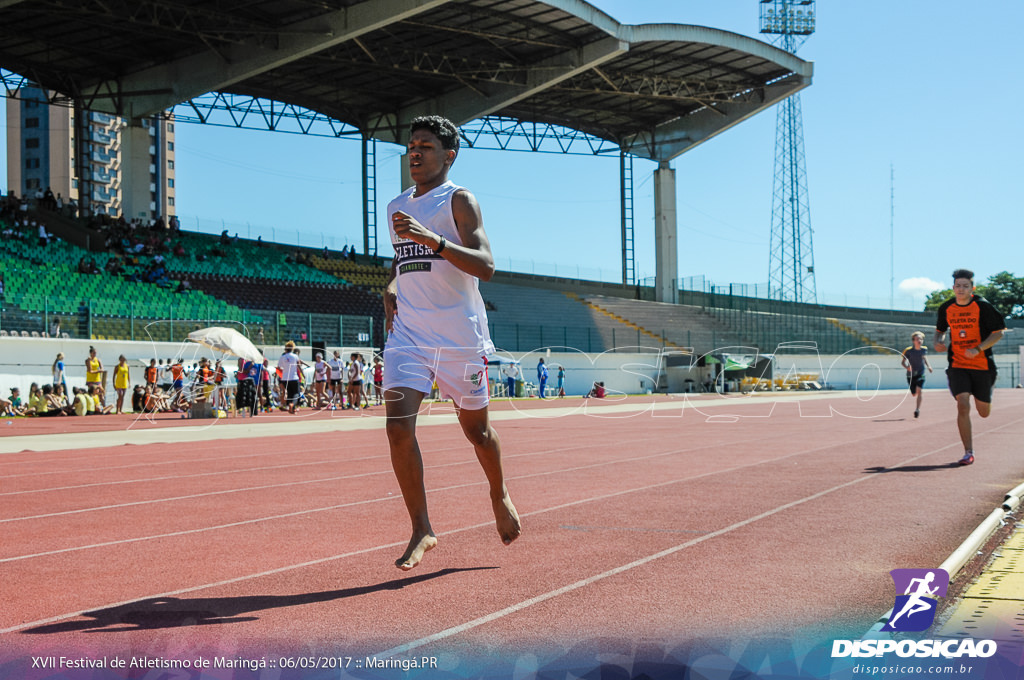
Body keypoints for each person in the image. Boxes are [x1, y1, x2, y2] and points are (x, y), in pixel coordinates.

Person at [383, 115, 520, 571]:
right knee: (398, 429)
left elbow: (486, 265)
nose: (415, 153)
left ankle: (498, 493)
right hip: (410, 335)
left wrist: (436, 240)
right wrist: (392, 285)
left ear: (449, 155)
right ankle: (421, 528)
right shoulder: (395, 206)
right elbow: (407, 261)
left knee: (476, 432)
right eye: (410, 146)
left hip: (459, 336)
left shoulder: (459, 200)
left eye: (425, 145)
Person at [934, 269, 1006, 466]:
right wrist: (938, 342)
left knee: (983, 412)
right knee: (962, 404)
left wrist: (978, 348)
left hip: (982, 364)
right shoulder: (946, 308)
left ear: (972, 288)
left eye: (965, 286)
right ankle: (968, 452)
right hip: (958, 363)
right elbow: (939, 331)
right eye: (958, 286)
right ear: (953, 287)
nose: (961, 289)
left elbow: (998, 333)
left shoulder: (983, 306)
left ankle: (989, 387)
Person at [900, 331, 933, 418]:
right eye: (917, 339)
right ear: (913, 341)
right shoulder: (908, 351)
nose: (919, 341)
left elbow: (924, 358)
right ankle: (914, 392)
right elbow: (902, 362)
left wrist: (929, 366)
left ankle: (917, 409)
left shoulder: (924, 349)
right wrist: (907, 367)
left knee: (920, 391)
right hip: (910, 375)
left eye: (921, 339)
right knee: (914, 393)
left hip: (921, 373)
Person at [277, 341, 300, 414]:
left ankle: (291, 409)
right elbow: (298, 365)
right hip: (293, 377)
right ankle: (292, 404)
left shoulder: (282, 357)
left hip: (285, 378)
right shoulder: (295, 356)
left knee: (289, 393)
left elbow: (279, 367)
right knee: (296, 393)